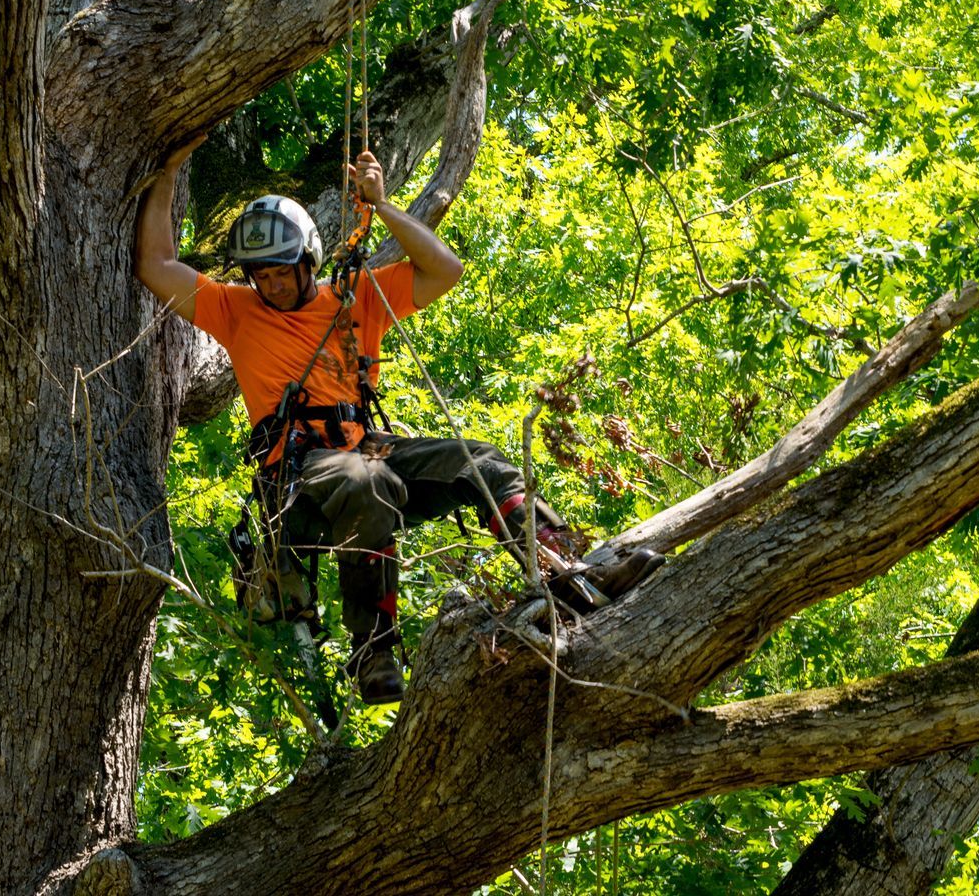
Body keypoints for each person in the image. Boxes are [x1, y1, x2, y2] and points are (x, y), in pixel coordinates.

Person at [135, 137, 661, 705]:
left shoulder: (355, 298)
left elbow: (444, 269)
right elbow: (156, 266)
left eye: (282, 271)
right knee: (369, 482)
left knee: (479, 461)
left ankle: (567, 570)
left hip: (367, 450)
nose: (271, 285)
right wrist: (167, 168)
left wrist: (383, 206)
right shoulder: (235, 310)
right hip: (299, 478)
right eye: (259, 274)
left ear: (308, 259)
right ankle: (375, 648)